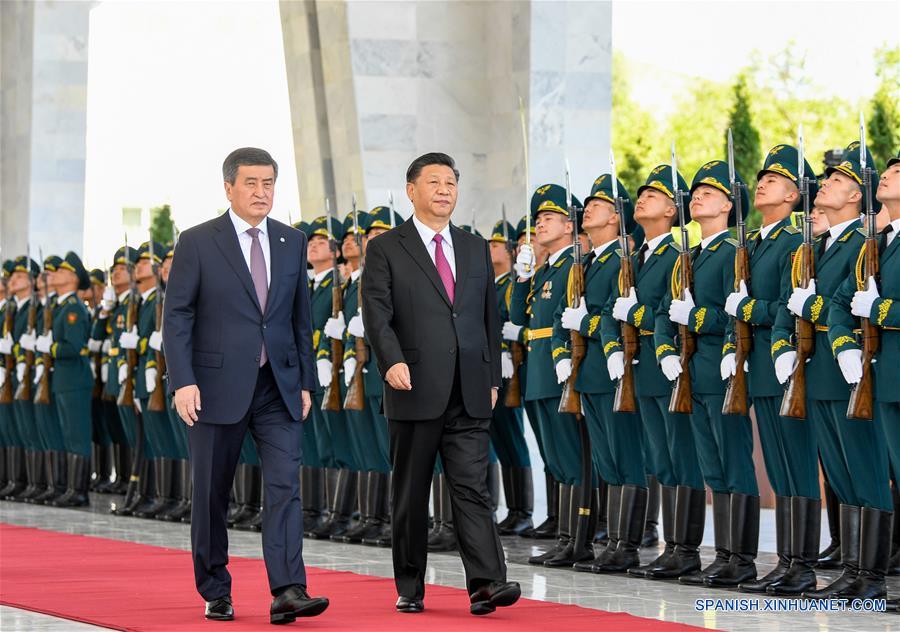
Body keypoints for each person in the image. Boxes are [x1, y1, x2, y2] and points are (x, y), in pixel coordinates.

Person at [163, 147, 328, 624]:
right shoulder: (198, 241)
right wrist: (183, 381)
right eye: (251, 183)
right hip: (214, 387)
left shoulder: (291, 241)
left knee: (284, 486)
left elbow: (299, 319)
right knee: (212, 493)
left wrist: (305, 381)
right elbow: (177, 316)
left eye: (268, 183)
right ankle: (215, 588)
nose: (261, 192)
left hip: (278, 385)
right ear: (229, 188)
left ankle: (288, 589)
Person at [362, 152, 520, 616]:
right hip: (413, 385)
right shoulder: (387, 247)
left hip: (469, 388)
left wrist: (491, 376)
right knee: (411, 491)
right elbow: (376, 313)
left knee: (472, 487)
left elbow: (488, 317)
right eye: (434, 182)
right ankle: (410, 585)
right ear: (411, 191)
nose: (444, 190)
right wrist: (390, 361)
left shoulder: (474, 247)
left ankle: (487, 583)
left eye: (451, 182)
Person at [656, 162, 760, 587]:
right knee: (712, 467)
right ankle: (723, 555)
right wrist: (665, 350)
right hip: (691, 373)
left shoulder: (737, 251)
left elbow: (737, 312)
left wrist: (697, 317)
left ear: (729, 205)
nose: (697, 197)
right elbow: (664, 311)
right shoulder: (690, 255)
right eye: (696, 192)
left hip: (723, 370)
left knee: (734, 463)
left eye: (709, 193)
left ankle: (743, 559)